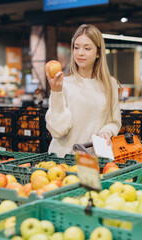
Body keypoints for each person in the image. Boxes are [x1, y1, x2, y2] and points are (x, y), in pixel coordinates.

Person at [45, 24, 122, 157]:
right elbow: (57, 131)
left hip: (93, 161)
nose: (80, 53)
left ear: (98, 53)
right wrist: (56, 92)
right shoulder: (64, 83)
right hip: (63, 160)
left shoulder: (110, 84)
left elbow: (114, 122)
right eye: (76, 47)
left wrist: (107, 132)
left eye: (87, 48)